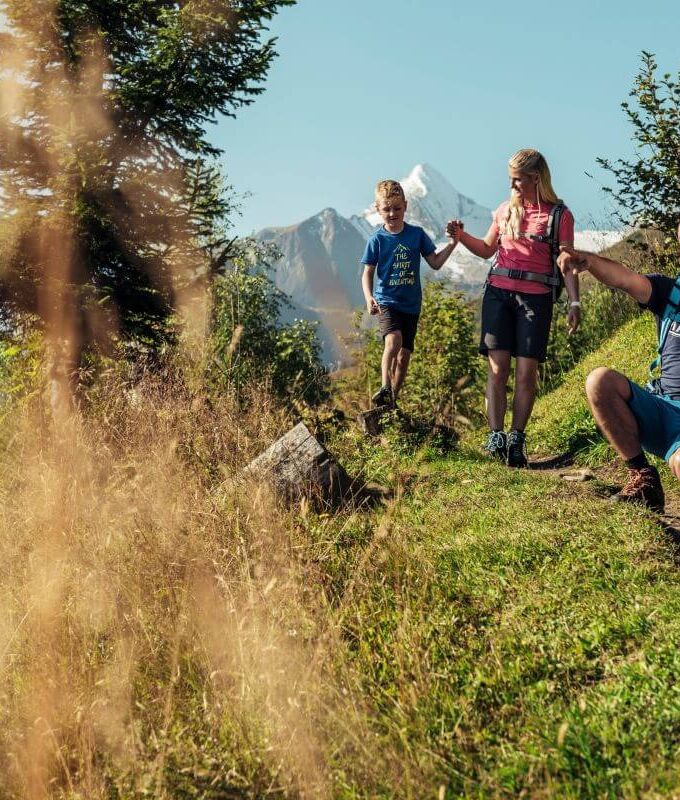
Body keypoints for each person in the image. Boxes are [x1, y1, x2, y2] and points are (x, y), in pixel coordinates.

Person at [447, 149, 581, 467]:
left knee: (525, 374)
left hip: (535, 298)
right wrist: (461, 235)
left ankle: (517, 439)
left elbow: (567, 261)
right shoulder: (505, 211)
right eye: (510, 179)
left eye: (517, 180)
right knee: (497, 369)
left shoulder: (559, 215)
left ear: (535, 178)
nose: (512, 185)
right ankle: (496, 436)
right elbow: (485, 249)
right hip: (498, 294)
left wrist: (574, 301)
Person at [557, 220, 680, 513]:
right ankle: (644, 479)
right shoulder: (670, 292)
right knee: (599, 380)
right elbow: (625, 279)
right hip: (661, 409)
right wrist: (590, 261)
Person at [361, 179, 458, 408]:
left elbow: (434, 262)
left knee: (404, 357)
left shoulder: (416, 235)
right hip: (387, 301)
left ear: (405, 205)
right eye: (386, 209)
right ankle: (385, 387)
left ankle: (392, 399)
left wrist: (453, 244)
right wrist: (369, 298)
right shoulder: (377, 239)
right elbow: (367, 273)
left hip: (411, 305)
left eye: (397, 208)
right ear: (378, 209)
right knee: (393, 341)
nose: (392, 213)